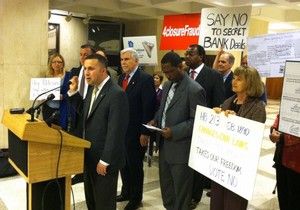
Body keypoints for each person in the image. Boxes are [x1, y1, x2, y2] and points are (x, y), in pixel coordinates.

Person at [68, 53, 129, 210]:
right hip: (90, 156)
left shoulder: (116, 94)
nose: (86, 73)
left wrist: (105, 160)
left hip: (104, 160)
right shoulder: (91, 88)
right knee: (92, 201)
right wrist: (74, 93)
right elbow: (85, 114)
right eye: (85, 68)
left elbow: (116, 131)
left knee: (104, 204)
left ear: (103, 71)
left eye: (91, 69)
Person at [150, 51, 206, 210]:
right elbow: (164, 108)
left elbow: (198, 121)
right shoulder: (167, 85)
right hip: (164, 147)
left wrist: (174, 131)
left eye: (170, 71)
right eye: (165, 72)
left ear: (181, 66)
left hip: (181, 149)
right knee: (167, 190)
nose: (167, 75)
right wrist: (155, 119)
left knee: (181, 193)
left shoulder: (195, 89)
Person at [211, 66, 266, 210]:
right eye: (234, 78)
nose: (234, 81)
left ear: (251, 83)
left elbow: (253, 138)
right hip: (221, 162)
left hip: (239, 166)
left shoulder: (258, 107)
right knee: (217, 201)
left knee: (233, 203)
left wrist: (237, 121)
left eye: (239, 79)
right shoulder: (229, 101)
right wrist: (215, 116)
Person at [185, 44, 225, 208]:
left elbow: (218, 102)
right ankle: (184, 191)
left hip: (203, 127)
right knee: (185, 162)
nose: (187, 56)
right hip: (183, 126)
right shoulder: (184, 73)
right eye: (187, 53)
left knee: (197, 164)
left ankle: (194, 196)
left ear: (201, 56)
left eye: (191, 54)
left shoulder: (213, 75)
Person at [117, 48, 156, 210]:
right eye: (122, 60)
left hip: (136, 131)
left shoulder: (145, 79)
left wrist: (145, 132)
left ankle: (135, 197)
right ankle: (126, 191)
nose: (123, 62)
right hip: (121, 130)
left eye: (127, 59)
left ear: (136, 61)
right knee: (123, 164)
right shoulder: (120, 79)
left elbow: (149, 107)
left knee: (134, 165)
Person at [70, 44, 95, 185]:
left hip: (91, 112)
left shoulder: (94, 75)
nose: (82, 57)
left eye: (86, 54)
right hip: (77, 113)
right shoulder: (75, 71)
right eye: (81, 54)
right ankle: (79, 172)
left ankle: (87, 171)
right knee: (77, 142)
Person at [269, 114, 300, 210]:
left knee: (295, 199)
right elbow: (282, 114)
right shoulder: (290, 98)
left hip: (297, 162)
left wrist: (282, 137)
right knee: (283, 195)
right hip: (282, 156)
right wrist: (274, 129)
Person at [42, 53, 71, 130]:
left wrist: (63, 96)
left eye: (59, 62)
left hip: (61, 109)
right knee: (48, 131)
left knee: (60, 132)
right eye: (54, 62)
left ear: (63, 63)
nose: (56, 64)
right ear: (51, 64)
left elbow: (72, 92)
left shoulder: (68, 75)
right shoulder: (47, 76)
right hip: (48, 108)